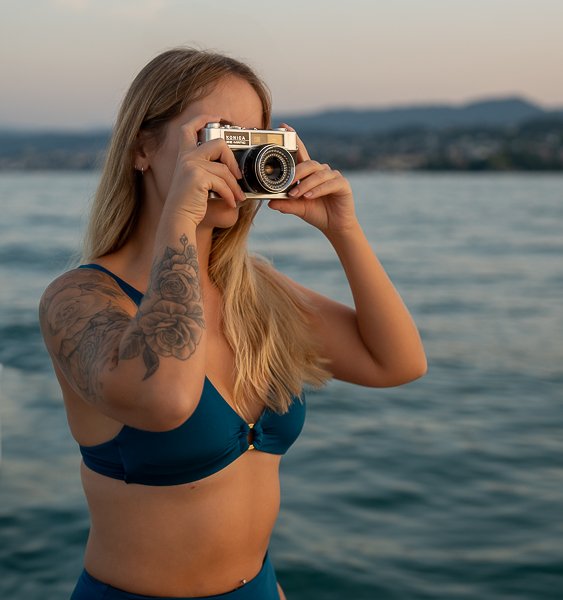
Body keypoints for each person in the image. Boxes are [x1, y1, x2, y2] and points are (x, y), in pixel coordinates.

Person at [39, 47, 427, 600]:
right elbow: (166, 400)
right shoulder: (78, 298)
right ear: (142, 149)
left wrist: (344, 231)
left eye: (251, 140)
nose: (232, 160)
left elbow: (399, 364)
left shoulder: (255, 290)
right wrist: (182, 216)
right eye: (215, 134)